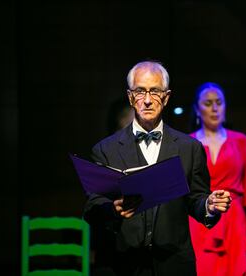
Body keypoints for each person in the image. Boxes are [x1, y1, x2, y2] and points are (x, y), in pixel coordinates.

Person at [83, 61, 232, 276]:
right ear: (130, 97)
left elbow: (196, 200)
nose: (147, 100)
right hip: (125, 264)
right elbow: (93, 207)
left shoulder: (189, 148)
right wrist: (112, 209)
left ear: (167, 97)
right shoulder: (106, 149)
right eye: (140, 91)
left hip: (175, 264)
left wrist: (209, 205)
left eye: (154, 91)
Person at [188, 82, 246, 276]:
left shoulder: (240, 141)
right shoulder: (188, 144)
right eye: (208, 103)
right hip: (200, 221)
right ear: (197, 110)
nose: (214, 108)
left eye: (219, 102)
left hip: (233, 223)